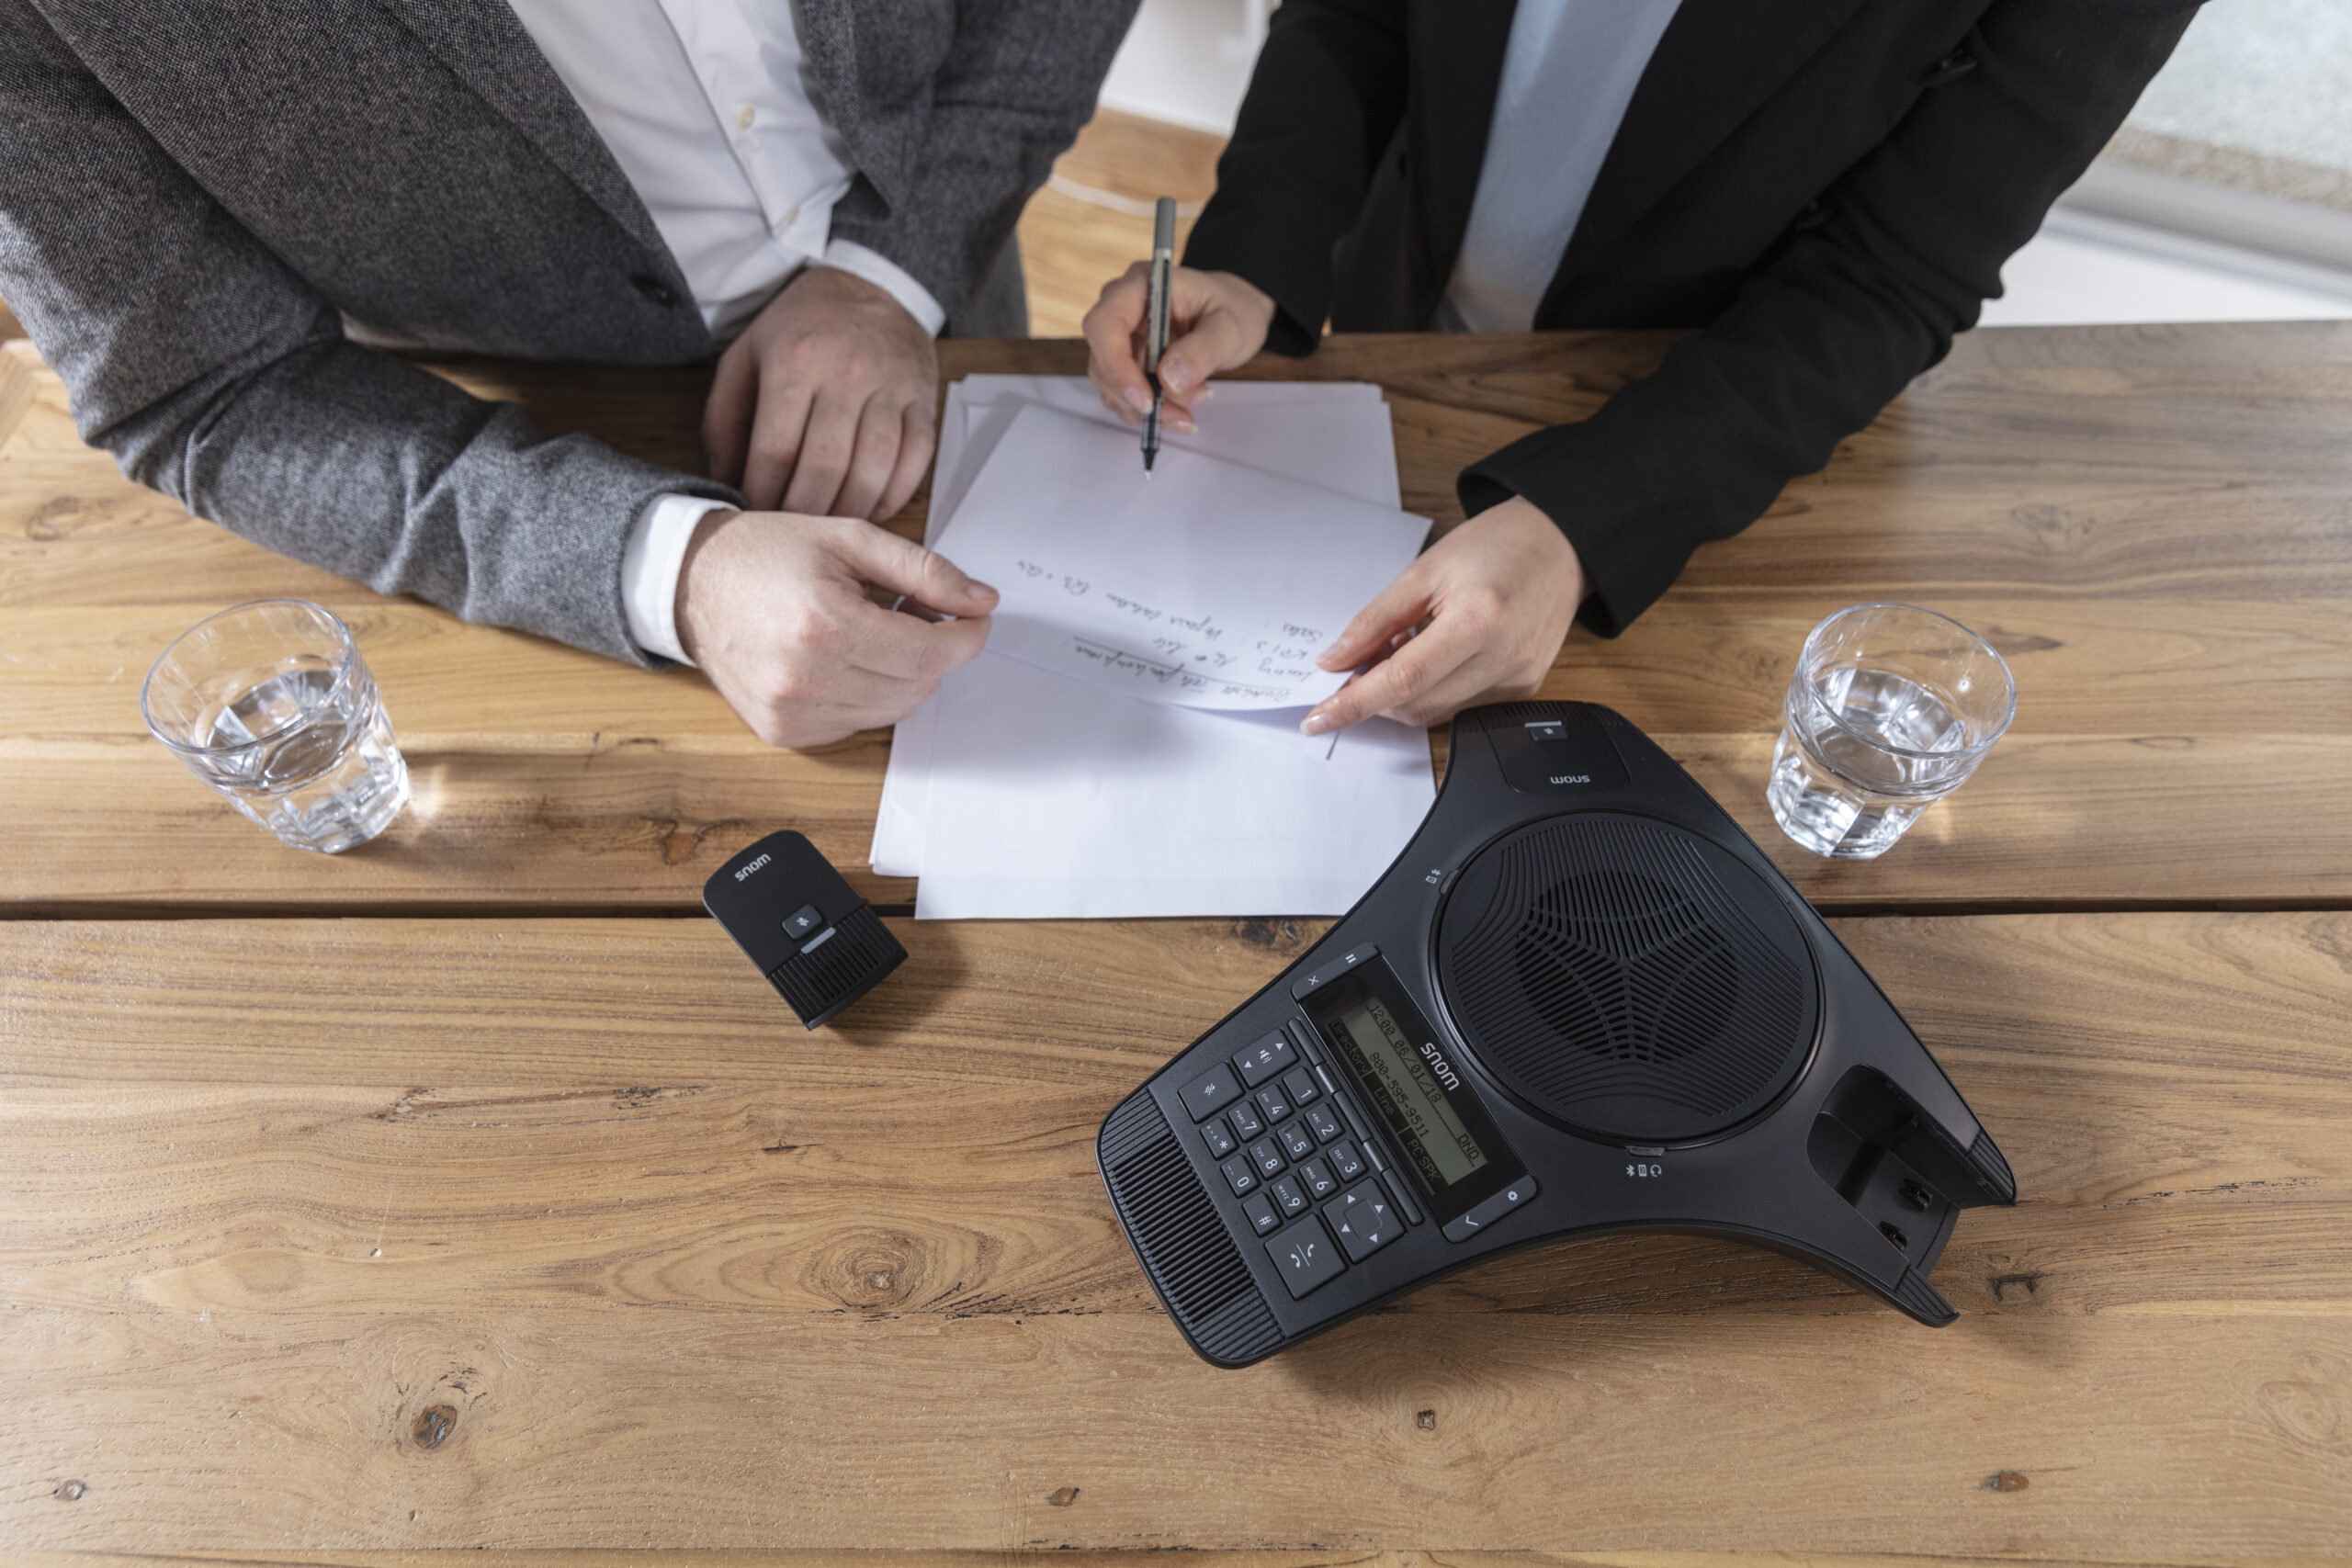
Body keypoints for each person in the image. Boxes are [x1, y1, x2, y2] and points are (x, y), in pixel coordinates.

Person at [0, 0, 1137, 747]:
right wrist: (666, 568)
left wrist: (896, 271)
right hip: (517, 450)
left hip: (941, 296)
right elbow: (199, 387)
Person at [1085, 0, 2201, 737]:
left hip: (1698, 416)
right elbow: (1357, 14)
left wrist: (1586, 522)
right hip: (1407, 296)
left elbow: (1886, 279)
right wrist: (1253, 256)